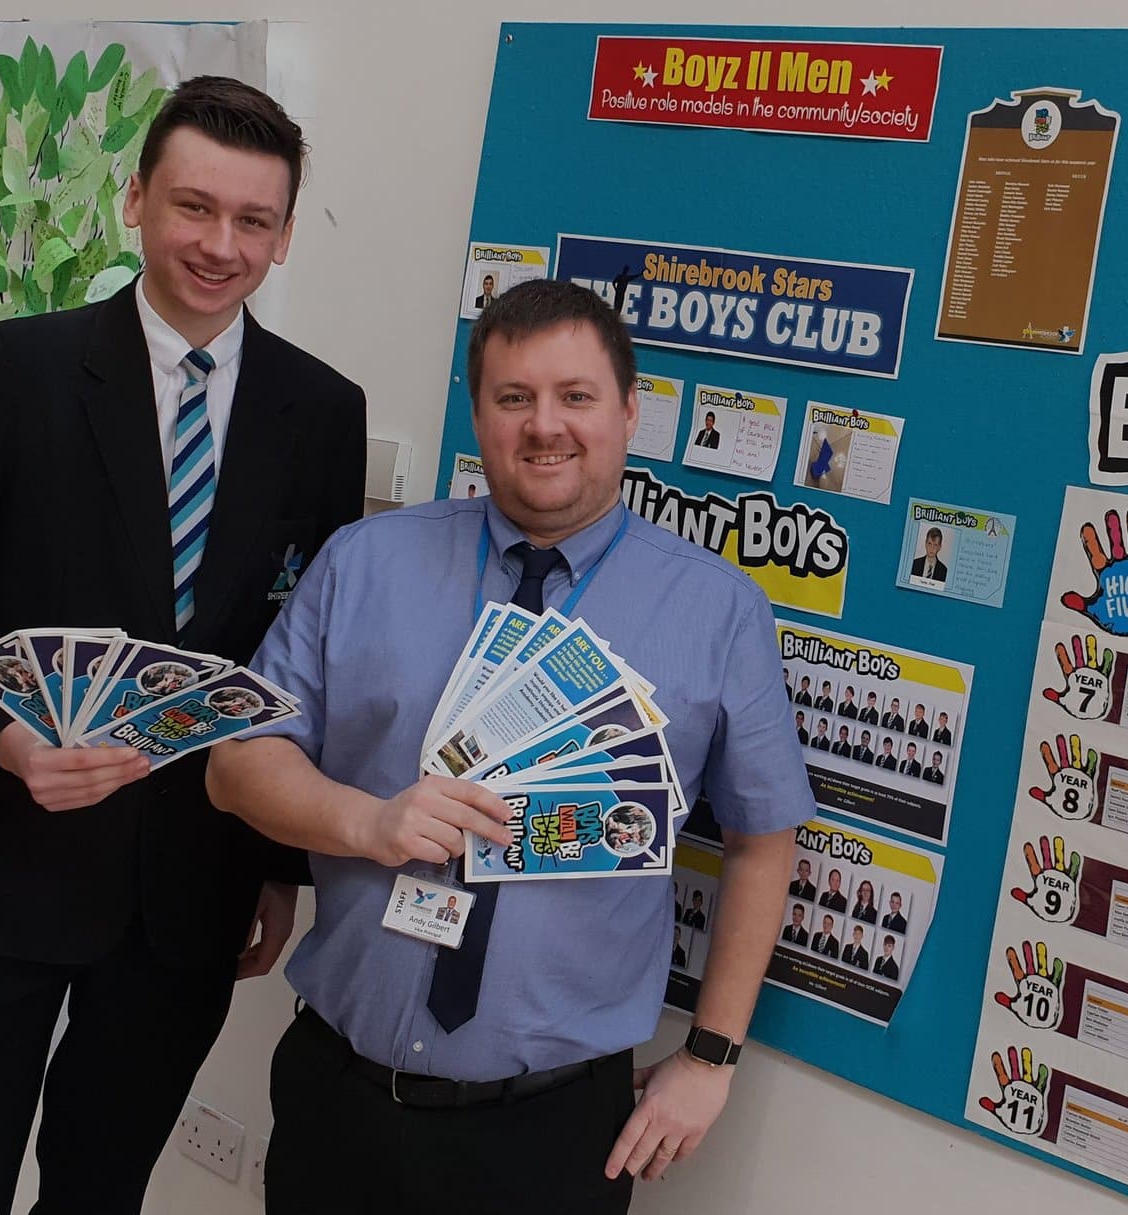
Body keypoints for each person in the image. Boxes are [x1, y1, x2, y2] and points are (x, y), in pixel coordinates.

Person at [0, 78, 364, 1215]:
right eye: (193, 207)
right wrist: (10, 739)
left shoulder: (323, 414)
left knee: (100, 1193)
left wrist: (278, 866)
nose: (219, 245)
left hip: (190, 897)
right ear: (135, 200)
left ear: (281, 237)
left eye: (253, 221)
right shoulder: (20, 372)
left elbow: (300, 666)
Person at [206, 278, 812, 1212]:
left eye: (576, 396)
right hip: (339, 1100)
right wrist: (366, 822)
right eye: (513, 397)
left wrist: (712, 1055)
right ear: (477, 410)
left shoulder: (717, 610)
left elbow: (765, 836)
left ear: (629, 409)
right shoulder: (365, 561)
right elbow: (236, 761)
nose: (545, 427)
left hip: (551, 1131)